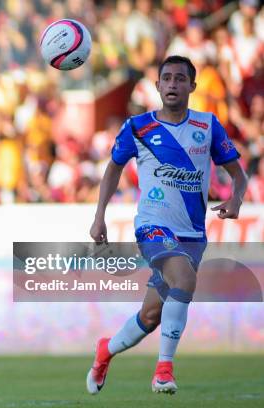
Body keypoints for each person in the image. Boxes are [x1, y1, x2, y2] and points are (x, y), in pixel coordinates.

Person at [87, 55, 247, 395]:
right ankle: (163, 370)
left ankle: (106, 351)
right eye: (167, 79)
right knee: (185, 280)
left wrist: (235, 199)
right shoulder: (137, 127)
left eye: (179, 79)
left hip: (192, 234)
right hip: (152, 227)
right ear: (157, 85)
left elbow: (238, 173)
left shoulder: (207, 126)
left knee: (150, 316)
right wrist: (99, 214)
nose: (172, 84)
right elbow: (113, 168)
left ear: (192, 86)